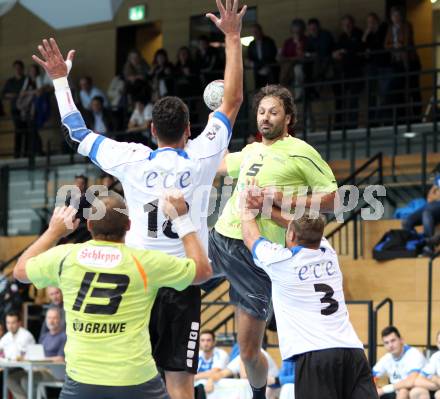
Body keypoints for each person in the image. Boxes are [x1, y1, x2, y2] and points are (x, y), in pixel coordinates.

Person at [31, 1, 245, 398]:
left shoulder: (129, 158)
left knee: (131, 377)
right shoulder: (202, 155)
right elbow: (231, 103)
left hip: (139, 279)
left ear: (151, 129)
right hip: (183, 278)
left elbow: (76, 133)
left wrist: (60, 80)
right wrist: (232, 38)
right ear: (187, 129)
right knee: (180, 383)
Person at [13, 192, 212, 399]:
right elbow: (202, 271)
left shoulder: (65, 257)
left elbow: (20, 272)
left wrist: (53, 232)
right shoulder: (145, 262)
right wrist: (181, 219)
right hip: (135, 380)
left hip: (81, 381)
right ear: (128, 225)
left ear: (89, 225)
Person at [213, 84, 338, 399]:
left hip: (257, 258)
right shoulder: (253, 149)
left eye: (273, 112)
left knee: (247, 351)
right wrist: (213, 127)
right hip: (222, 238)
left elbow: (332, 199)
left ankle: (258, 395)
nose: (265, 118)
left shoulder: (301, 151)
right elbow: (218, 165)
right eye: (261, 112)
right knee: (177, 281)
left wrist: (280, 196)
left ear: (288, 117)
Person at [240, 199, 377, 399]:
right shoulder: (328, 252)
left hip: (315, 355)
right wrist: (265, 207)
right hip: (352, 352)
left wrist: (247, 206)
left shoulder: (280, 261)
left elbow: (250, 237)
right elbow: (304, 228)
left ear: (291, 234)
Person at [16, 308, 67, 399]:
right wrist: (27, 357)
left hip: (56, 373)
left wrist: (40, 360)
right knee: (11, 378)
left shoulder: (64, 336)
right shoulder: (44, 336)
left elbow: (60, 359)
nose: (51, 321)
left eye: (54, 318)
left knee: (26, 380)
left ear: (60, 320)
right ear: (46, 320)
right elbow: (38, 354)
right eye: (49, 318)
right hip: (40, 368)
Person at [385, 6, 422, 122]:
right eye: (393, 16)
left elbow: (406, 40)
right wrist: (394, 46)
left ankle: (417, 116)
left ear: (401, 16)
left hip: (410, 61)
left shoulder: (406, 26)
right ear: (391, 18)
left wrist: (399, 45)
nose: (396, 18)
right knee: (398, 89)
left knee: (413, 87)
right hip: (397, 62)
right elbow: (386, 44)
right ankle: (401, 117)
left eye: (397, 15)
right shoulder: (391, 28)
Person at [373, 326, 426, 399]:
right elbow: (371, 376)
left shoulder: (414, 354)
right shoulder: (386, 358)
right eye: (386, 343)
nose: (390, 345)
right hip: (395, 390)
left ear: (401, 340)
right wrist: (374, 387)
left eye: (393, 340)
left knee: (403, 391)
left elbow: (410, 381)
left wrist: (383, 390)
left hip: (417, 389)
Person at [332, 15, 365, 129]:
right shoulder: (342, 37)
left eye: (349, 24)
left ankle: (352, 125)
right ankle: (341, 124)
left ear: (353, 24)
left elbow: (358, 49)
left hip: (356, 72)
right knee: (343, 100)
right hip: (344, 73)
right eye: (345, 24)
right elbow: (337, 51)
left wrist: (346, 52)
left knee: (353, 100)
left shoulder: (358, 34)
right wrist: (337, 53)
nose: (347, 26)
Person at [362, 12, 392, 125]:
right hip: (372, 67)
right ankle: (373, 122)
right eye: (369, 22)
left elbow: (381, 45)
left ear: (377, 21)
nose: (371, 24)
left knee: (384, 94)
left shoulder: (383, 29)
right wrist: (366, 34)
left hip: (384, 65)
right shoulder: (369, 34)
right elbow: (363, 48)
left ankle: (385, 120)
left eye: (373, 21)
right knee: (372, 95)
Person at [0, 312, 35, 399]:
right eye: (8, 322)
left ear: (19, 323)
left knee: (9, 378)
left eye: (13, 322)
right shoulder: (6, 337)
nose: (10, 326)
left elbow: (32, 356)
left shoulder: (26, 335)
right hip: (12, 368)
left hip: (28, 369)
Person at [1, 60, 27, 158]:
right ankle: (17, 154)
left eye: (19, 68)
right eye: (16, 68)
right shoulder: (10, 81)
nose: (17, 70)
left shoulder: (26, 80)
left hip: (26, 109)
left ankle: (26, 154)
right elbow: (4, 94)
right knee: (18, 131)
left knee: (27, 131)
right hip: (15, 109)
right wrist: (15, 95)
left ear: (22, 69)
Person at [279, 19, 306, 99]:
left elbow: (302, 55)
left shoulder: (306, 40)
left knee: (297, 70)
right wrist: (292, 59)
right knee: (285, 70)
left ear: (302, 30)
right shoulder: (288, 42)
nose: (296, 33)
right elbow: (282, 56)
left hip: (302, 65)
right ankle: (284, 96)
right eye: (294, 31)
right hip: (288, 66)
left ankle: (298, 95)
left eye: (298, 30)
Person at [410, 331, 440, 399]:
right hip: (437, 386)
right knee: (416, 391)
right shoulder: (436, 356)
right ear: (437, 344)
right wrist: (435, 379)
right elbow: (418, 380)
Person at [247, 24, 278, 88]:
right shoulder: (251, 44)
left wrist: (260, 65)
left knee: (271, 85)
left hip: (269, 66)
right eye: (253, 32)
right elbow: (250, 57)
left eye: (256, 31)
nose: (255, 34)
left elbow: (272, 55)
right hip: (257, 69)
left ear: (261, 31)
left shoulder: (269, 41)